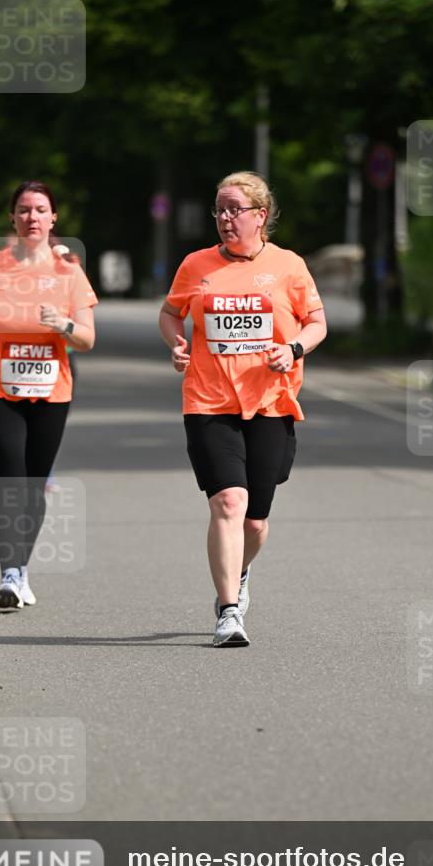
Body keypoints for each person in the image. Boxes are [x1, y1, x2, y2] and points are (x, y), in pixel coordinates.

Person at [159, 171, 327, 647]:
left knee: (255, 519)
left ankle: (241, 570)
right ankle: (228, 611)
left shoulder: (289, 266)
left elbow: (316, 323)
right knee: (228, 502)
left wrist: (292, 349)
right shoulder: (196, 265)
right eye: (219, 210)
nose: (225, 218)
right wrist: (176, 342)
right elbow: (171, 312)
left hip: (271, 401)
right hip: (209, 400)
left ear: (261, 215)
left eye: (235, 209)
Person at [0, 181, 97, 610]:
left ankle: (21, 569)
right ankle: (9, 573)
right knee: (10, 477)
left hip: (50, 391)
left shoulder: (69, 273)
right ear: (12, 218)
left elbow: (88, 340)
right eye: (23, 210)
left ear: (53, 218)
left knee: (34, 484)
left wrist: (63, 324)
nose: (32, 217)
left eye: (40, 210)